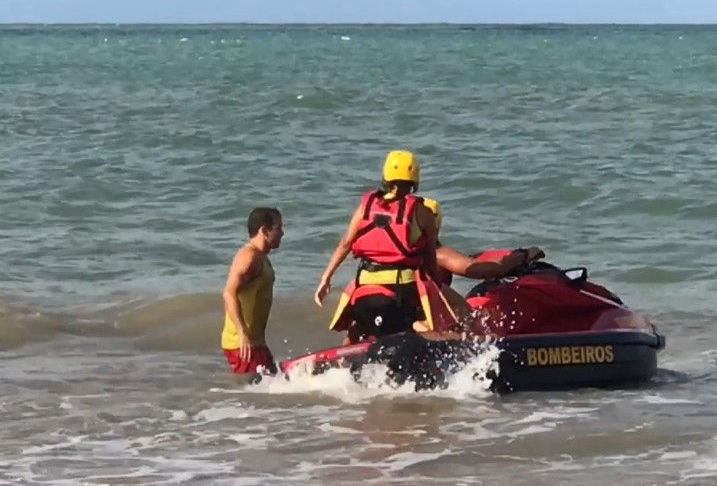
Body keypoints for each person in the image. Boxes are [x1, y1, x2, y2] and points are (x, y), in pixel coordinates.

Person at [315, 150, 455, 345]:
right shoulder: (422, 212)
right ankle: (446, 344)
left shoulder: (366, 206)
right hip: (400, 293)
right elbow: (430, 257)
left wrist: (326, 278)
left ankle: (343, 359)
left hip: (363, 288)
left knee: (359, 324)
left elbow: (345, 243)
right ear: (415, 179)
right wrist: (437, 286)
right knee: (415, 324)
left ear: (386, 176)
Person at [420, 197, 544, 318]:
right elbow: (485, 270)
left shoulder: (410, 253)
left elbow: (462, 262)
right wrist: (524, 254)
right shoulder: (438, 254)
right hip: (432, 316)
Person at [220, 207, 284, 376]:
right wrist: (242, 334)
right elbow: (228, 293)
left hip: (256, 342)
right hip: (242, 344)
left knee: (271, 385)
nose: (282, 233)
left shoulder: (261, 257)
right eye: (278, 228)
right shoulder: (249, 257)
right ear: (264, 230)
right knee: (253, 397)